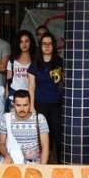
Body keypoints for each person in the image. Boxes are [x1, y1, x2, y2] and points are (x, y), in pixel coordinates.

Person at [28, 32, 63, 162]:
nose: (47, 46)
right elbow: (31, 87)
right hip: (40, 105)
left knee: (58, 135)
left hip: (57, 105)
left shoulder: (60, 63)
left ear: (53, 46)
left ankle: (60, 163)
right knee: (42, 136)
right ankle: (44, 164)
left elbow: (65, 84)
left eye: (50, 44)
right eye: (44, 44)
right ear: (40, 46)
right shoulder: (35, 64)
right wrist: (31, 107)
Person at [0, 90, 50, 164]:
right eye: (18, 105)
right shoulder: (6, 118)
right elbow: (1, 143)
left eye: (25, 105)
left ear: (30, 104)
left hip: (34, 163)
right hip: (11, 161)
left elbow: (45, 146)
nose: (22, 109)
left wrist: (42, 168)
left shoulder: (40, 118)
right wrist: (7, 156)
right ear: (13, 104)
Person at [5, 30, 36, 111]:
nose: (24, 44)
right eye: (21, 42)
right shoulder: (12, 61)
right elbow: (8, 80)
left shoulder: (35, 61)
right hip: (14, 95)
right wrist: (6, 95)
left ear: (31, 42)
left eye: (26, 41)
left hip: (30, 96)